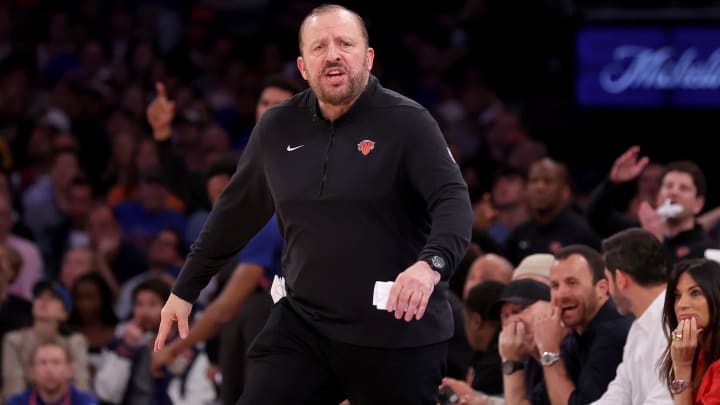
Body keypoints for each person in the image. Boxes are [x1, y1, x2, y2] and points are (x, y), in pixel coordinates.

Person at [154, 4, 472, 404]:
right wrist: (185, 290)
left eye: (345, 43)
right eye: (319, 47)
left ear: (368, 57)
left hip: (396, 332)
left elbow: (453, 199)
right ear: (304, 67)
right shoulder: (276, 126)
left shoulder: (408, 122)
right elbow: (233, 214)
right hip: (305, 326)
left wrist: (431, 265)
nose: (333, 54)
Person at [585, 146, 716, 267]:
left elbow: (679, 284)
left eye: (684, 188)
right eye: (668, 186)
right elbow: (596, 217)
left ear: (698, 204)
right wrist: (612, 182)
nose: (673, 192)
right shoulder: (639, 232)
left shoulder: (706, 250)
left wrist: (656, 243)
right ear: (658, 197)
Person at [534, 245, 632, 405]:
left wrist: (549, 351)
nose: (561, 295)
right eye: (555, 286)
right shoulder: (572, 335)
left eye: (572, 283)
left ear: (602, 288)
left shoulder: (614, 333)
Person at [592, 228, 673, 404]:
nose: (607, 292)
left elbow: (665, 400)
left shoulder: (673, 320)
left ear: (620, 279)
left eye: (607, 279)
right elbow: (619, 391)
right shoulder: (639, 327)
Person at [660, 258, 720, 404]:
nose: (682, 305)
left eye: (695, 293)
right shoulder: (696, 350)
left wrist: (681, 367)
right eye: (677, 296)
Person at [6, 339, 97, 405]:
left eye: (56, 362)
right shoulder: (17, 402)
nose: (49, 370)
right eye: (43, 363)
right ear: (32, 372)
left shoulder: (85, 402)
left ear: (70, 370)